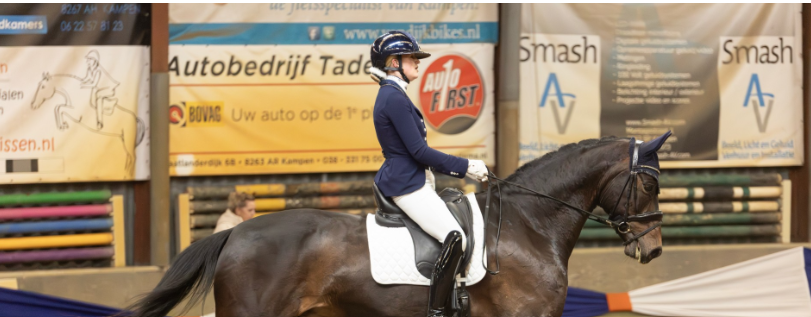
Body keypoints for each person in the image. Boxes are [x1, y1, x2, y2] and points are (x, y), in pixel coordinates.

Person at [368, 31, 488, 317]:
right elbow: (419, 153)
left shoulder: (395, 94)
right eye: (412, 58)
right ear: (393, 62)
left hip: (412, 178)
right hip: (406, 183)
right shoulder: (393, 98)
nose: (417, 63)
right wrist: (466, 166)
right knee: (455, 235)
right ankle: (436, 311)